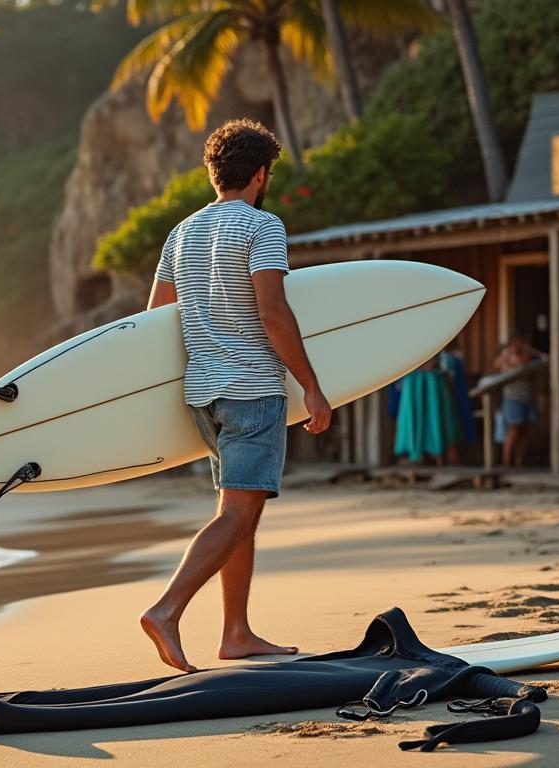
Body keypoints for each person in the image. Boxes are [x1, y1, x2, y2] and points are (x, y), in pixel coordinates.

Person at [143, 118, 332, 673]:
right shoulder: (262, 226)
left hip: (202, 392)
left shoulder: (181, 234)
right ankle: (167, 610)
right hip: (251, 388)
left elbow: (156, 318)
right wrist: (312, 387)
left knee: (237, 512)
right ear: (260, 173)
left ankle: (237, 631)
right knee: (238, 514)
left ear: (213, 173)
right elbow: (273, 312)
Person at [492, 331, 540, 468]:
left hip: (527, 395)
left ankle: (519, 461)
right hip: (512, 397)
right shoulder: (506, 355)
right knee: (513, 429)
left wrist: (531, 352)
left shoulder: (527, 354)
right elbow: (497, 368)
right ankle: (506, 461)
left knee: (525, 430)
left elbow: (541, 359)